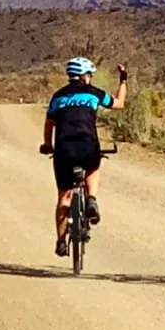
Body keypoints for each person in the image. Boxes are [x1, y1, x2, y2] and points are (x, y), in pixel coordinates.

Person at [40, 57, 127, 258]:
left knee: (64, 196)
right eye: (90, 75)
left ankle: (61, 242)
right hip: (88, 145)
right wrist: (123, 81)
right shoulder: (93, 93)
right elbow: (119, 103)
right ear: (85, 76)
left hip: (64, 149)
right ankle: (92, 200)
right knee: (93, 168)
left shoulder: (58, 96)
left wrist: (47, 145)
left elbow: (49, 124)